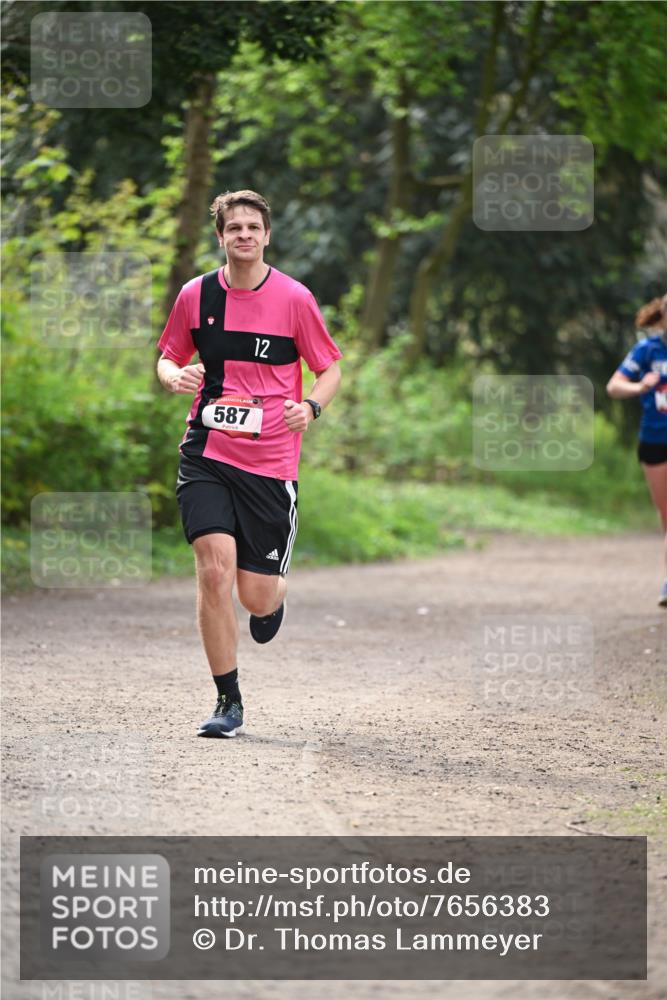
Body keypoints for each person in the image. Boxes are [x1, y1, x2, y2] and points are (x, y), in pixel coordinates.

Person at [157, 189, 342, 736]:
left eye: (252, 228)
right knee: (213, 572)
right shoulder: (196, 296)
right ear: (220, 237)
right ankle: (228, 702)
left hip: (270, 461)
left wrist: (310, 407)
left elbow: (329, 369)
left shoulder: (294, 299)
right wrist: (176, 377)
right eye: (233, 227)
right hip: (206, 451)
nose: (243, 235)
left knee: (253, 594)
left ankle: (272, 598)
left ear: (266, 235)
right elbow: (169, 356)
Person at [606, 293, 667, 606]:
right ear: (663, 318)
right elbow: (614, 386)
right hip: (655, 440)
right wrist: (641, 386)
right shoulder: (647, 350)